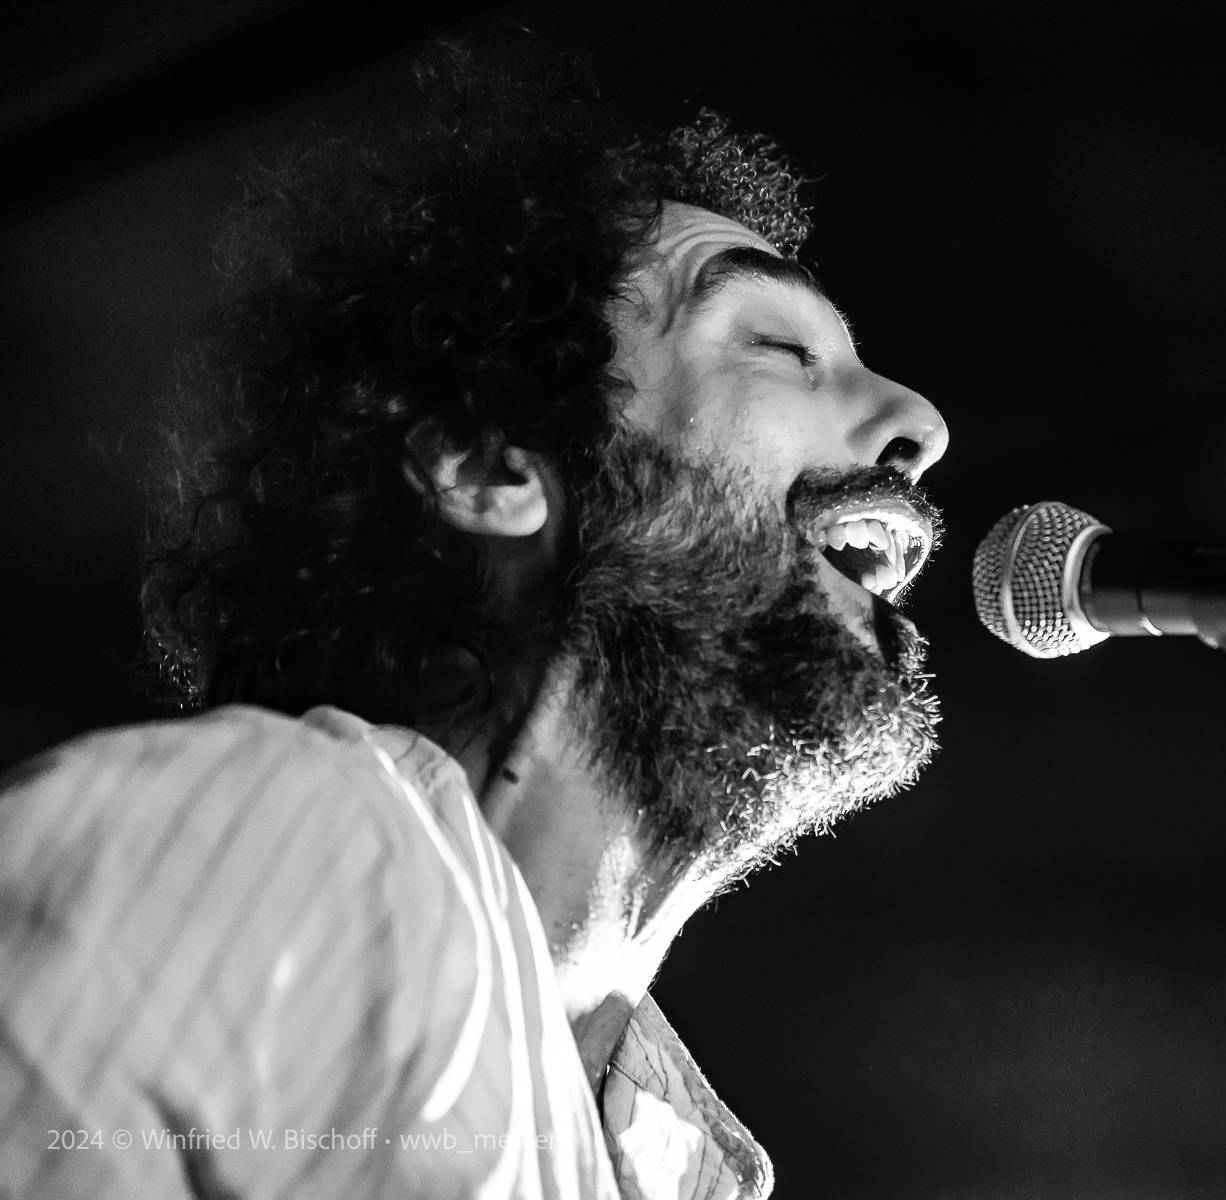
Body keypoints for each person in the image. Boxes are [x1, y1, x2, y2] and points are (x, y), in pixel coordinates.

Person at [0, 38, 947, 1199]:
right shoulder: (307, 845)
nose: (922, 423)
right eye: (782, 348)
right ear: (491, 469)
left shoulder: (675, 1162)